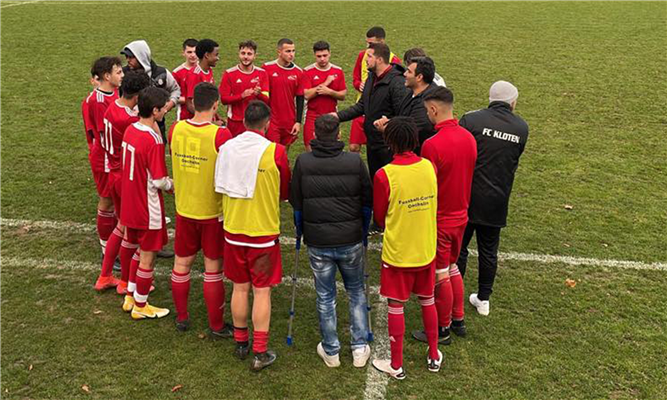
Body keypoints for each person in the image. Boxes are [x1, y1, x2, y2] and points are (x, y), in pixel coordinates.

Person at [289, 114, 371, 368]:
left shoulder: (304, 161)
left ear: (314, 135)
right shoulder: (355, 161)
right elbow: (367, 202)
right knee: (356, 291)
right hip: (350, 238)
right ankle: (358, 348)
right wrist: (363, 229)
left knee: (325, 296)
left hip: (319, 241)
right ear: (339, 135)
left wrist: (301, 229)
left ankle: (332, 350)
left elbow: (296, 204)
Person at [214, 101, 290, 371]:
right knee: (261, 291)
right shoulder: (275, 152)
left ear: (244, 122)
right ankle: (260, 350)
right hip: (263, 233)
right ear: (267, 123)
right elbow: (285, 190)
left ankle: (240, 341)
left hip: (233, 231)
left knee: (239, 287)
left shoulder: (226, 148)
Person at [370, 117, 442, 379]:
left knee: (396, 304)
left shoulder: (384, 174)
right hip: (425, 248)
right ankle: (434, 354)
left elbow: (379, 216)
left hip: (399, 251)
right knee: (427, 300)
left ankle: (397, 365)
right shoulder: (429, 167)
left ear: (389, 142)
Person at [456, 81, 529, 316]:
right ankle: (484, 299)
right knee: (489, 250)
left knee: (460, 249)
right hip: (497, 198)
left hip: (467, 195)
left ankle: (454, 297)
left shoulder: (471, 120)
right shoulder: (522, 128)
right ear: (513, 102)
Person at [410, 87, 477, 344]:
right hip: (462, 215)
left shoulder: (432, 144)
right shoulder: (469, 138)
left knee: (440, 273)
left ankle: (442, 328)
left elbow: (428, 186)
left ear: (434, 109)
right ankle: (458, 318)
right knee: (452, 267)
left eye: (427, 111)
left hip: (440, 218)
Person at [169, 82, 233, 336]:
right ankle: (216, 324)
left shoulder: (176, 129)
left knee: (181, 265)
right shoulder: (220, 135)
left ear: (193, 103)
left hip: (184, 208)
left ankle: (182, 317)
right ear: (216, 104)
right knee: (212, 268)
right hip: (212, 212)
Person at [119, 86, 173, 320]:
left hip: (129, 203)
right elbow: (159, 180)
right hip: (147, 205)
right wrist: (172, 185)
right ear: (155, 110)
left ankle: (130, 296)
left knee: (136, 251)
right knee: (148, 255)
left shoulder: (131, 129)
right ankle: (141, 305)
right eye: (163, 109)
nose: (165, 112)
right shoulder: (153, 139)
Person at [96, 71, 151, 295]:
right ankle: (126, 282)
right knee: (131, 232)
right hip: (126, 176)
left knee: (122, 227)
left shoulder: (113, 107)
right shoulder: (128, 120)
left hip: (114, 171)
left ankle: (105, 275)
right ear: (137, 96)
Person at [336, 42, 410, 180]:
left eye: (369, 56)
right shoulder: (371, 77)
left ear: (380, 59)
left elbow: (403, 115)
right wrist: (337, 116)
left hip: (388, 146)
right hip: (373, 142)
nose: (365, 60)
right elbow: (362, 106)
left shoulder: (397, 83)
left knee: (389, 182)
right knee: (375, 180)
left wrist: (388, 125)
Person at [83, 56, 123, 280]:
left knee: (117, 201)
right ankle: (107, 249)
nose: (122, 75)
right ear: (107, 76)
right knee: (107, 200)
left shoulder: (113, 94)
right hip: (105, 158)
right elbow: (103, 134)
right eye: (118, 72)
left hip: (115, 156)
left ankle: (117, 244)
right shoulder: (97, 101)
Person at [349, 26, 401, 154]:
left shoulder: (394, 60)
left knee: (377, 147)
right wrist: (358, 84)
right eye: (367, 43)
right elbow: (355, 77)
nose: (367, 46)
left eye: (371, 43)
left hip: (380, 114)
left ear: (381, 42)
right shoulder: (363, 55)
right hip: (362, 107)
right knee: (353, 147)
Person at [374, 56, 438, 155]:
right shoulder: (411, 92)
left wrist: (387, 128)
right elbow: (404, 118)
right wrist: (389, 122)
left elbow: (412, 130)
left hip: (416, 158)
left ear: (419, 77)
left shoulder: (427, 102)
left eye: (409, 71)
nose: (404, 74)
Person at [121, 40, 180, 139]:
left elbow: (175, 89)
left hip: (157, 126)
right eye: (126, 57)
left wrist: (170, 104)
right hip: (130, 126)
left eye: (131, 57)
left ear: (141, 57)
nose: (127, 60)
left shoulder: (162, 74)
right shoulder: (123, 74)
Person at [219, 40, 270, 137]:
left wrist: (258, 94)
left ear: (255, 56)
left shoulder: (262, 73)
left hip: (256, 121)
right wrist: (242, 96)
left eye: (249, 54)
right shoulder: (229, 74)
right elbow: (224, 100)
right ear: (239, 54)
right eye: (243, 53)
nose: (246, 57)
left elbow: (267, 100)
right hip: (236, 122)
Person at [302, 41, 347, 152]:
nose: (322, 59)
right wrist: (326, 83)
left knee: (332, 149)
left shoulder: (338, 71)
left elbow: (342, 95)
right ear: (314, 55)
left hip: (331, 115)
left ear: (330, 53)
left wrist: (330, 92)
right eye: (319, 56)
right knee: (310, 149)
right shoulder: (307, 71)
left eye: (325, 55)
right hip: (312, 115)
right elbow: (307, 95)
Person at [262, 38, 305, 149]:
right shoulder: (267, 69)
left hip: (289, 120)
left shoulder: (298, 72)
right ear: (279, 52)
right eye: (288, 51)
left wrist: (298, 121)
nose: (291, 54)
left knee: (285, 151)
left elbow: (300, 98)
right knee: (273, 151)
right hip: (272, 120)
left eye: (293, 51)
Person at [184, 39, 221, 122]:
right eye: (216, 55)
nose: (218, 58)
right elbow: (190, 104)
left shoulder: (209, 70)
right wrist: (207, 121)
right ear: (207, 55)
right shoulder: (194, 74)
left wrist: (217, 117)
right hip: (198, 124)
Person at [172, 38, 199, 121]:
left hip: (203, 116)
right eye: (189, 52)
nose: (193, 55)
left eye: (195, 52)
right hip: (184, 117)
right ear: (183, 53)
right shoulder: (177, 73)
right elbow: (172, 96)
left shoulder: (205, 70)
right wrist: (190, 100)